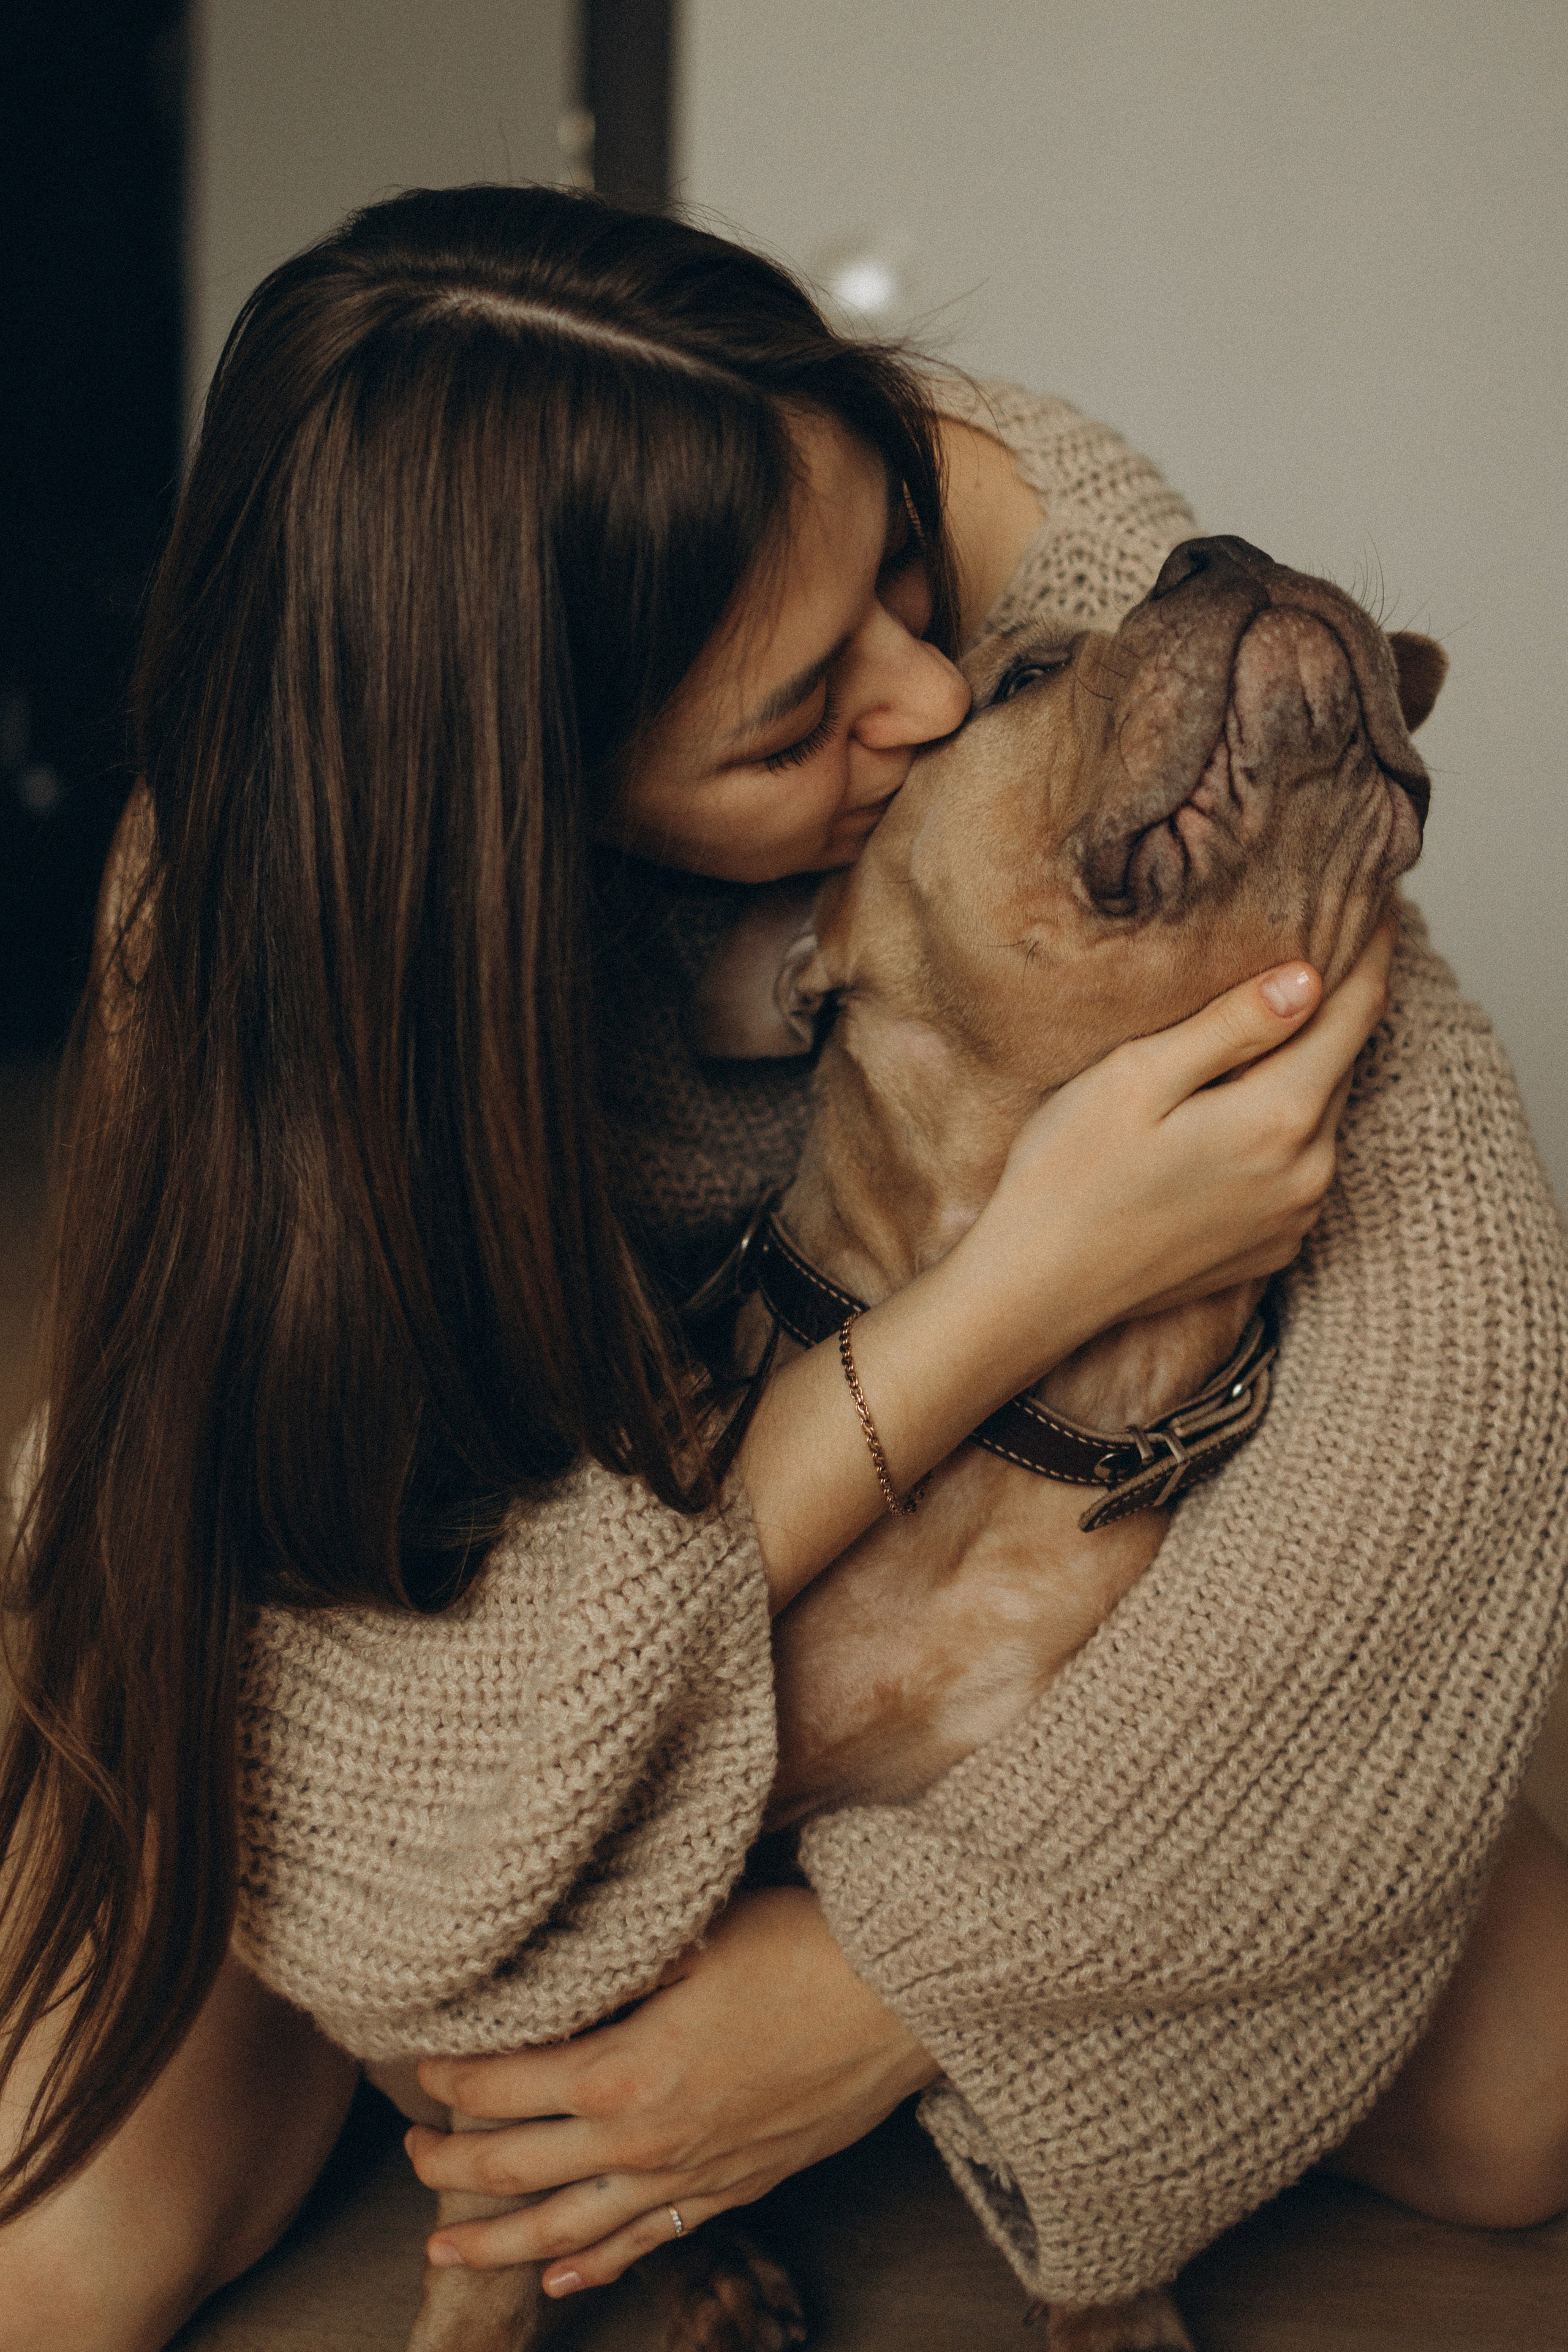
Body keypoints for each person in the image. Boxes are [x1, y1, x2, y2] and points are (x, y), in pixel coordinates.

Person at [1, 186, 1564, 2351]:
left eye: (917, 595)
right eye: (796, 712)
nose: (931, 696)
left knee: (1528, 2104)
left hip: (950, 1603)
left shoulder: (1093, 600)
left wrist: (888, 1989)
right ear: (536, 799)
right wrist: (1012, 1292)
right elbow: (408, 1788)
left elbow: (1443, 1434)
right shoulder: (269, 941)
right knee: (49, 2269)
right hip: (427, 1627)